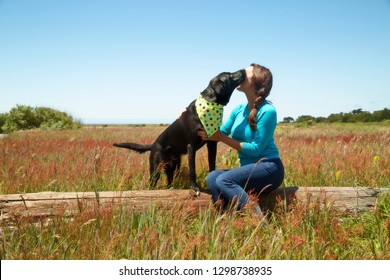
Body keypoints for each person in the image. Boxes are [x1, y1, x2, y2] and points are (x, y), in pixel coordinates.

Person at [197, 63, 284, 220]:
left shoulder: (267, 111)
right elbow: (219, 131)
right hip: (249, 169)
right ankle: (230, 216)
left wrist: (221, 138)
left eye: (246, 72)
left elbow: (255, 149)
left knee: (224, 180)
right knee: (212, 177)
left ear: (255, 81)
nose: (241, 73)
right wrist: (189, 114)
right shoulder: (239, 109)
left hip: (269, 168)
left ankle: (258, 221)